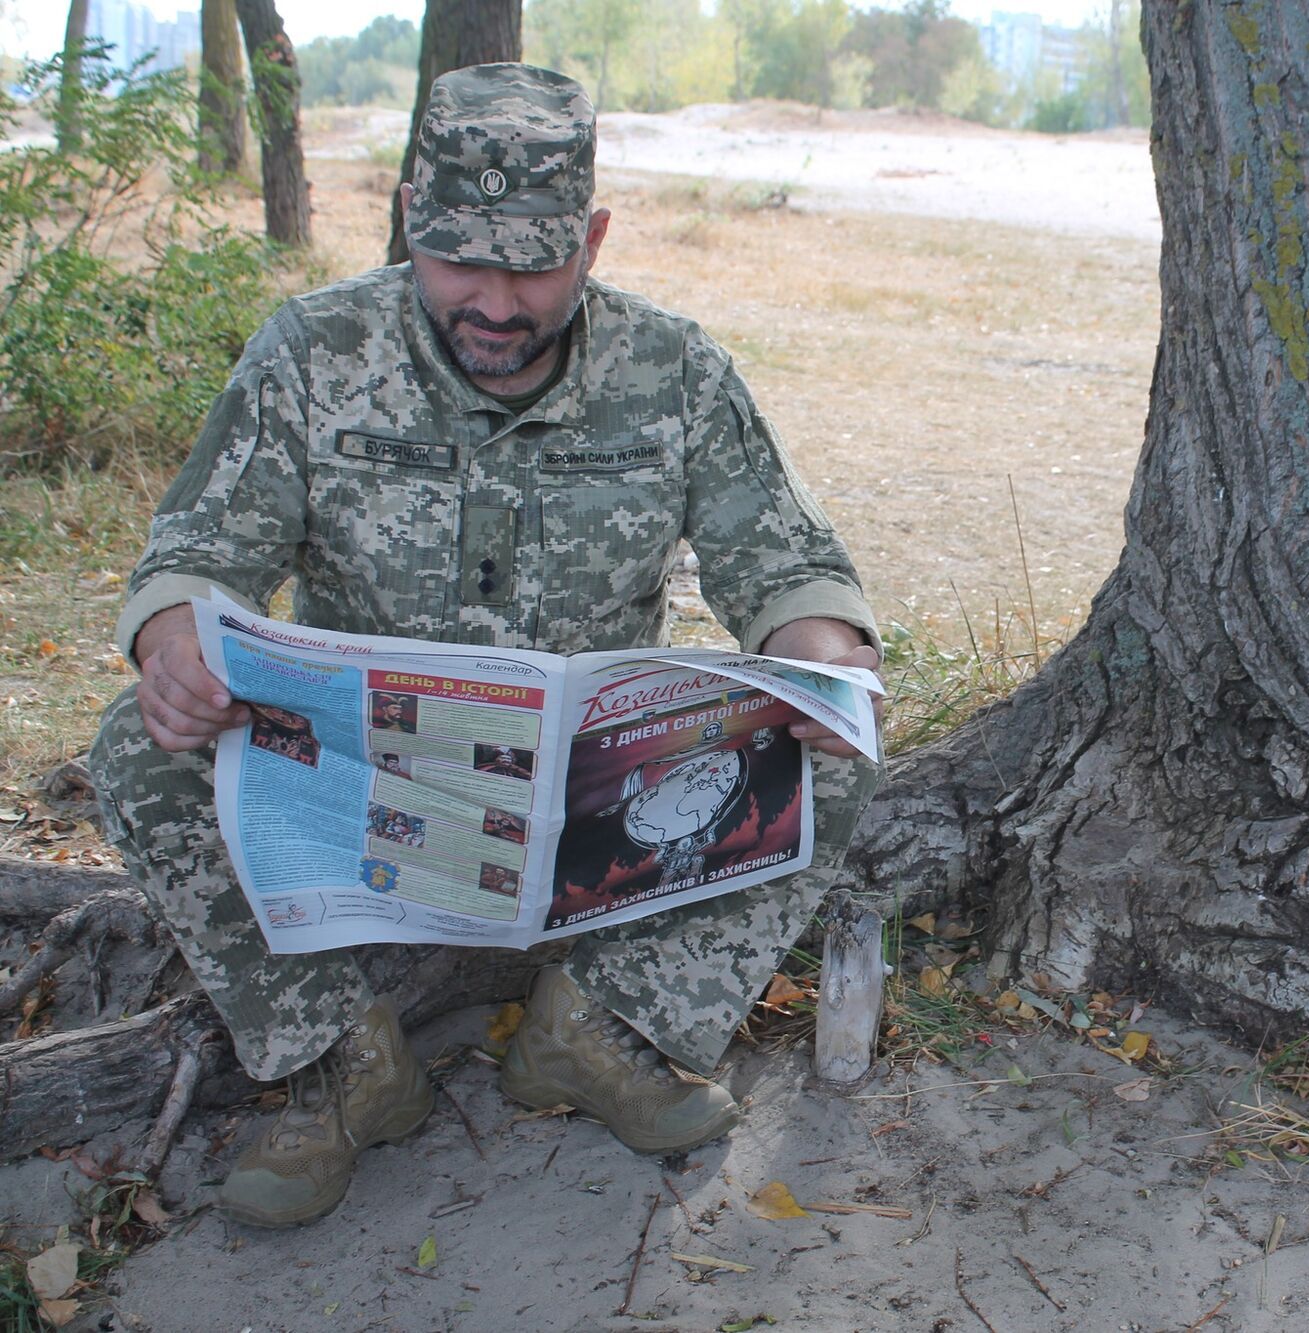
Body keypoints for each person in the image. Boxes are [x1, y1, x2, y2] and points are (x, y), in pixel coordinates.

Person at [90, 64, 881, 1229]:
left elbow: (781, 565)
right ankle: (341, 1062)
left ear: (595, 238)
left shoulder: (672, 373)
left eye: (533, 266)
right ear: (411, 216)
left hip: (591, 804)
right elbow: (199, 549)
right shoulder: (315, 351)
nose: (495, 302)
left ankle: (597, 1025)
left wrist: (824, 665)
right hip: (359, 786)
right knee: (134, 747)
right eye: (461, 260)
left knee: (835, 752)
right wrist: (174, 648)